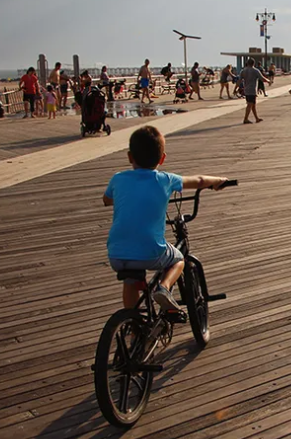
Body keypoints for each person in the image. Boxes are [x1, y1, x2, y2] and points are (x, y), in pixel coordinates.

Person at [103, 125, 229, 311]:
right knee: (178, 259)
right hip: (150, 251)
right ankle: (164, 288)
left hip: (117, 253)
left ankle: (134, 324)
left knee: (130, 281)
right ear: (162, 158)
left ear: (130, 157)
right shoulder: (166, 180)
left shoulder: (118, 178)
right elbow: (199, 181)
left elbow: (107, 200)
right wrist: (218, 180)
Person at [240, 58, 269, 124]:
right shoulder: (255, 70)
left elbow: (239, 80)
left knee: (253, 105)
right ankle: (245, 119)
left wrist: (235, 89)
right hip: (252, 90)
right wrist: (268, 81)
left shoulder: (243, 71)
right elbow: (262, 78)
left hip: (246, 90)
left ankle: (256, 118)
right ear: (254, 63)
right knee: (250, 104)